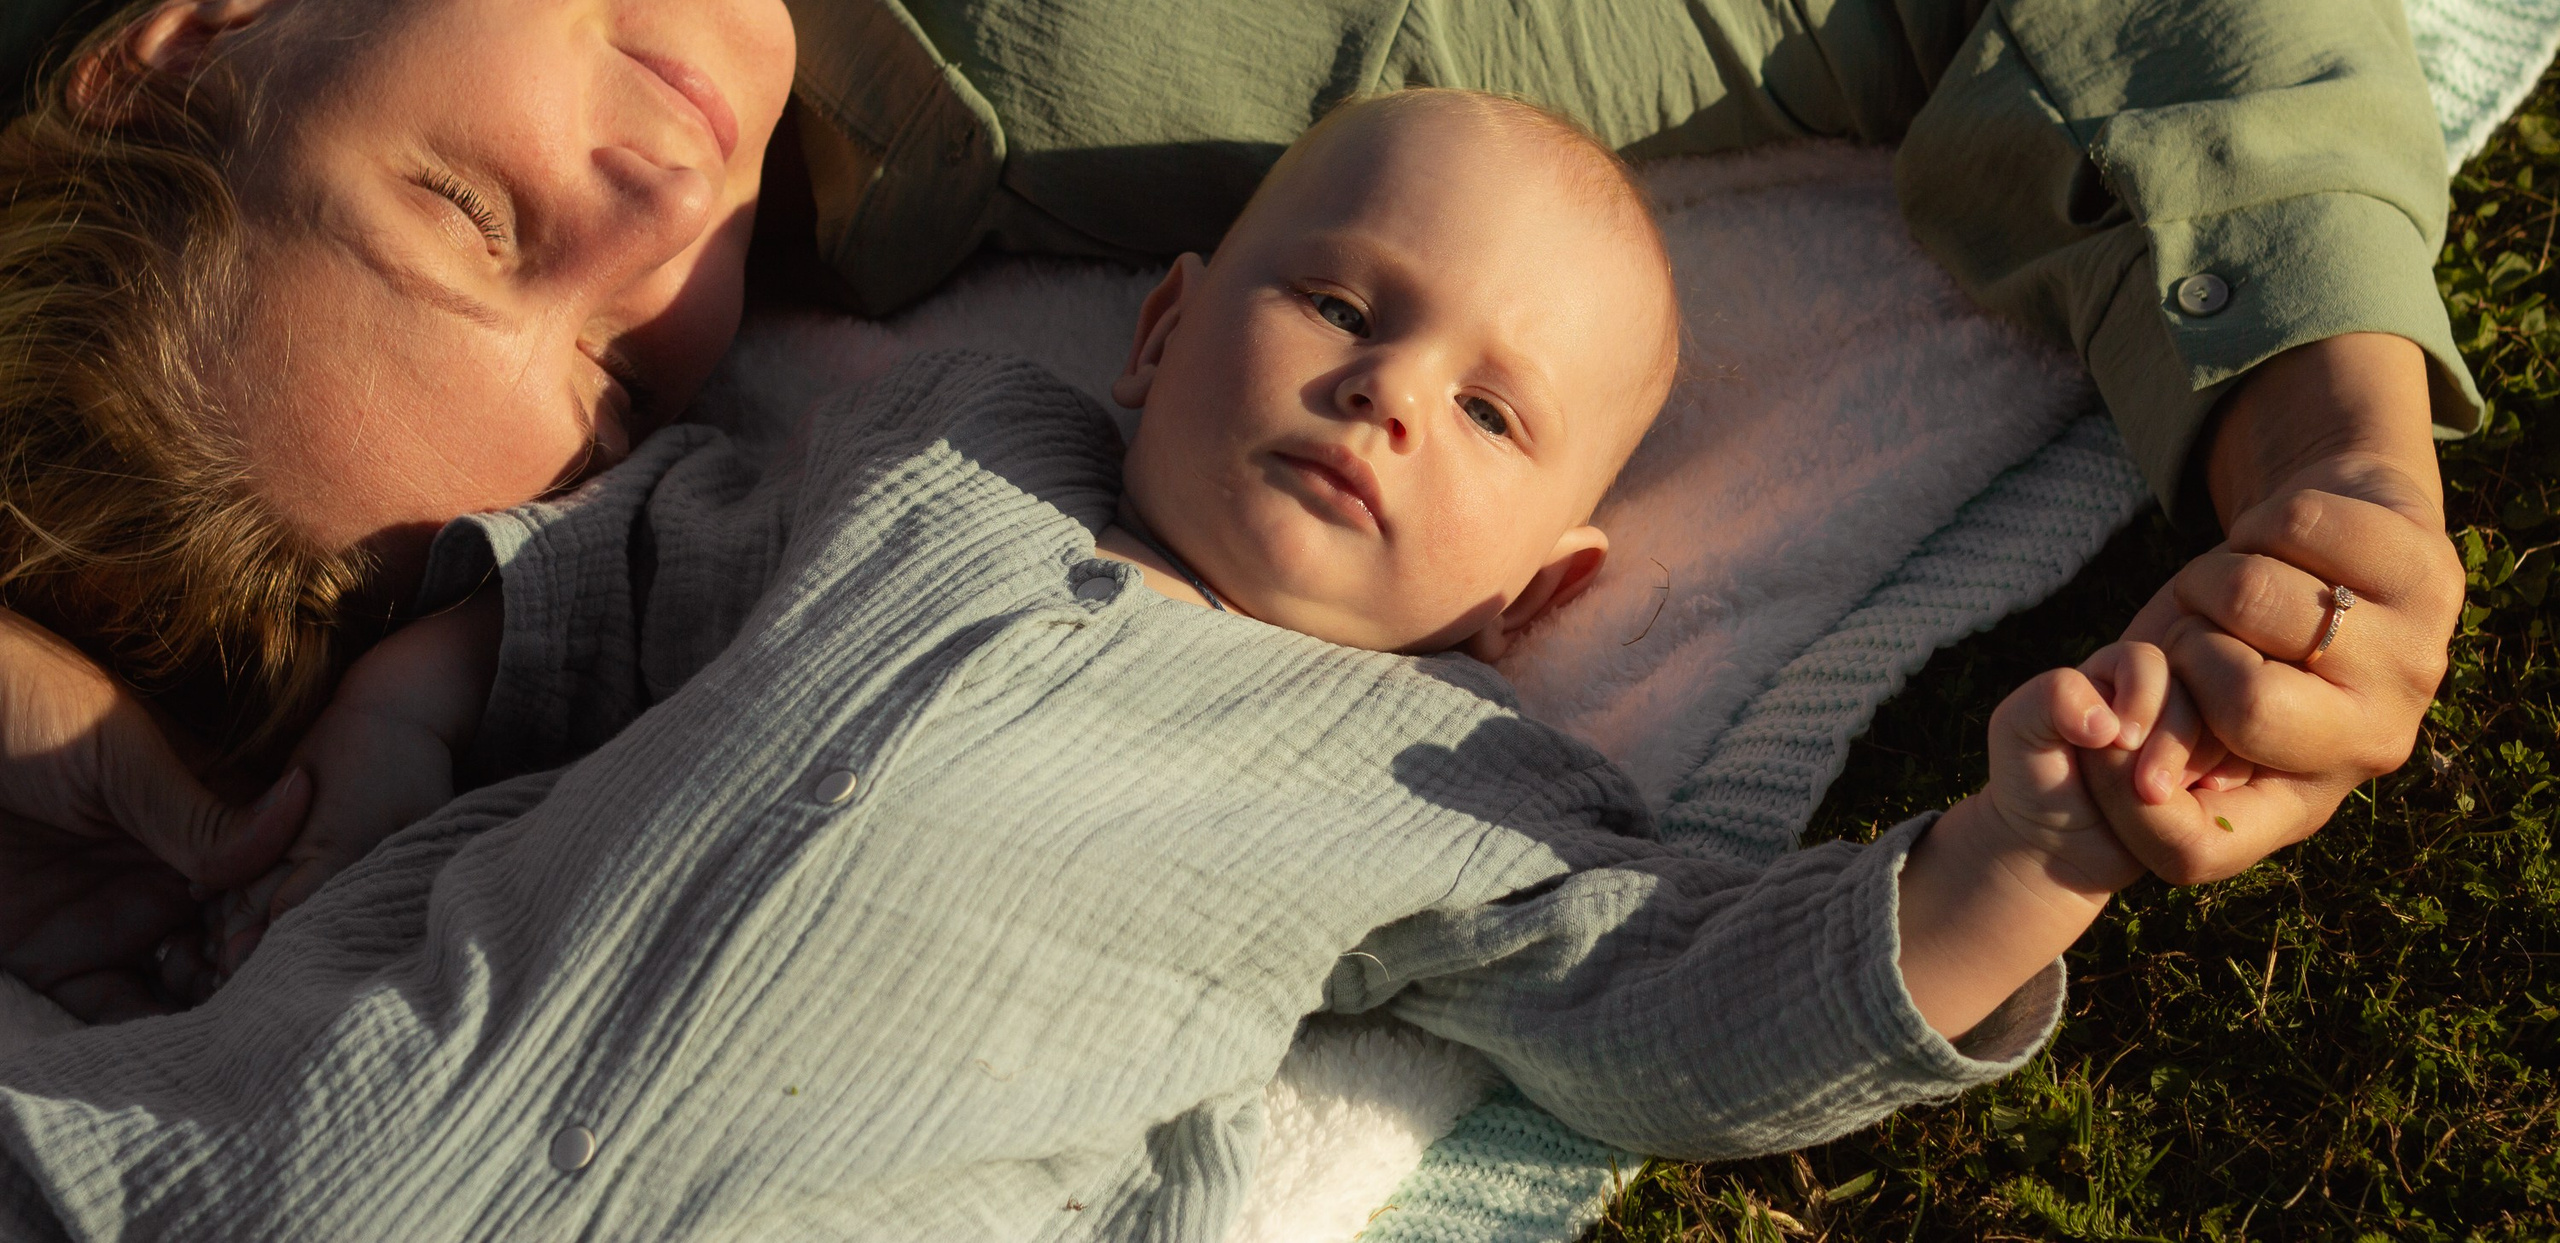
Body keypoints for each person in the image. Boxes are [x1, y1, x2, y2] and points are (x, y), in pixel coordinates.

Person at [0, 0, 2467, 1014]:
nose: (662, 227)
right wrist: (2332, 457)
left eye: (471, 216)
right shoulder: (1244, 47)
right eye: (623, 386)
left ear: (189, 44)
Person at [0, 92, 2271, 1240]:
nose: (1391, 393)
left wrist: (2022, 849)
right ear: (1168, 323)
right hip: (255, 1134)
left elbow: (1680, 1004)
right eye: (1345, 302)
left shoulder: (1439, 775)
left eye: (1486, 412)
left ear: (1535, 582)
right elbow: (608, 569)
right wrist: (389, 733)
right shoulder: (945, 451)